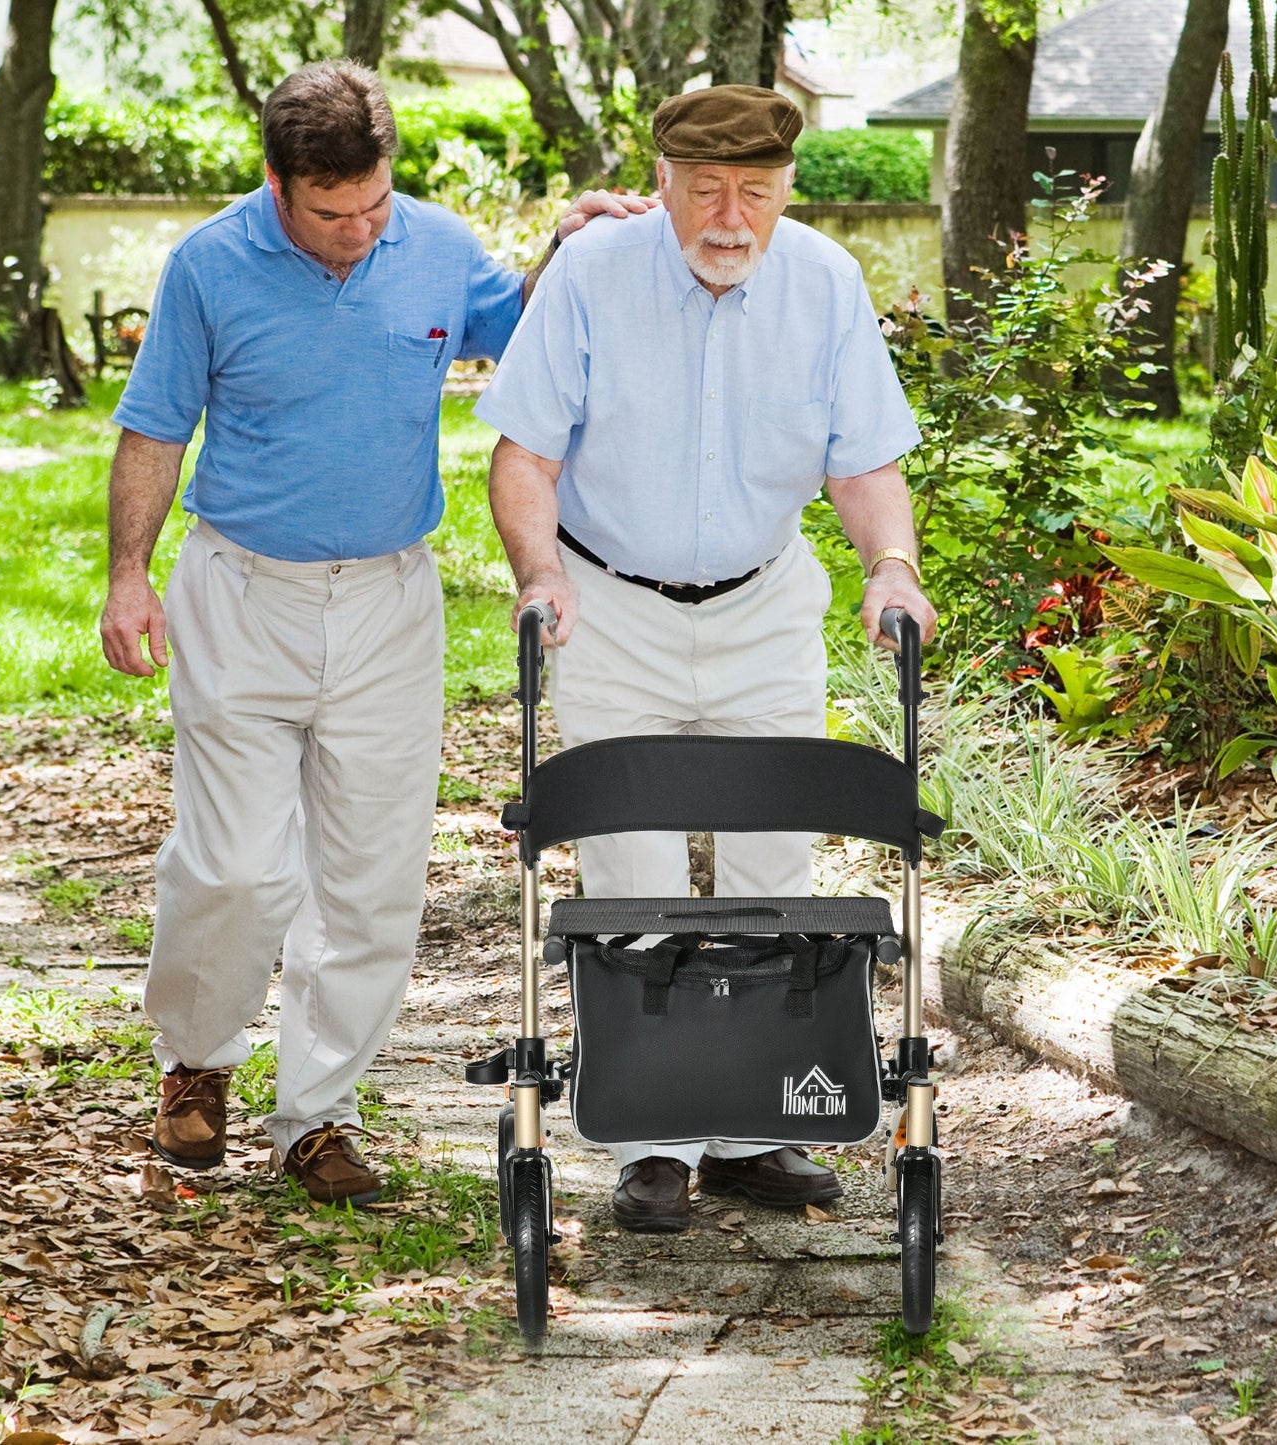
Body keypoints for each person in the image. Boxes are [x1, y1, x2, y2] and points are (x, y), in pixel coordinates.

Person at [98, 58, 651, 1207]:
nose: (357, 232)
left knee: (371, 877)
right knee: (236, 866)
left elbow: (516, 323)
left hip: (391, 599)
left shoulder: (434, 243)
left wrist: (567, 245)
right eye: (329, 212)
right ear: (277, 183)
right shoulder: (209, 262)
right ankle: (195, 1059)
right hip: (242, 591)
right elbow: (155, 428)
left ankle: (318, 1113)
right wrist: (129, 575)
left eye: (373, 206)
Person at [475, 84, 938, 1233]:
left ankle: (757, 1125)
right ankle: (653, 1137)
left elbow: (861, 463)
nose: (731, 219)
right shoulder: (590, 276)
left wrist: (890, 565)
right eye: (707, 190)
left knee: (772, 864)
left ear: (787, 189)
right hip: (609, 604)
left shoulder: (824, 281)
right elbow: (523, 457)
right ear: (663, 183)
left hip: (761, 604)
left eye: (756, 192)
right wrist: (538, 574)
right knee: (628, 873)